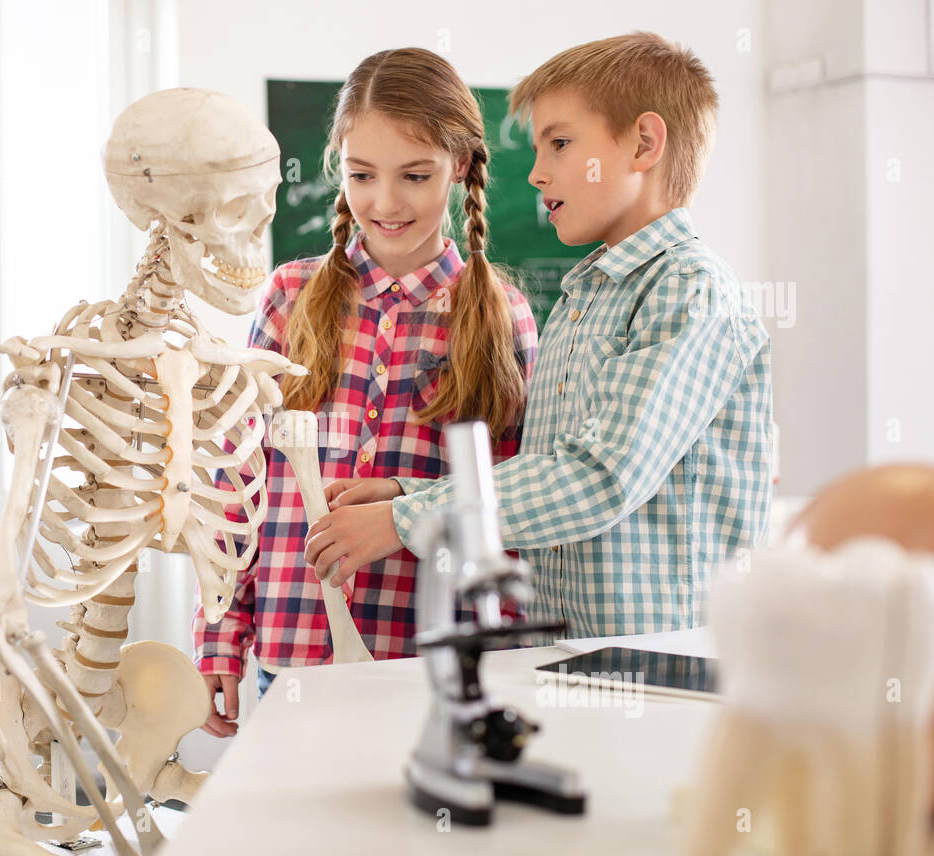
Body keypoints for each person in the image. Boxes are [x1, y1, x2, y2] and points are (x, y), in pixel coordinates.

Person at [305, 32, 773, 640]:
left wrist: (405, 517)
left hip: (664, 662)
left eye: (559, 143)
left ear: (643, 143)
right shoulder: (588, 299)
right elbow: (541, 478)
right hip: (576, 655)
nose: (535, 173)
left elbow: (600, 477)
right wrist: (409, 491)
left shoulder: (690, 291)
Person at [192, 47, 539, 734]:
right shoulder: (289, 296)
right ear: (337, 166)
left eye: (415, 175)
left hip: (429, 656)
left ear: (461, 165)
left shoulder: (502, 315)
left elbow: (515, 501)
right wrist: (218, 635)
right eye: (361, 174)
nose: (385, 202)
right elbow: (237, 478)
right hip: (290, 650)